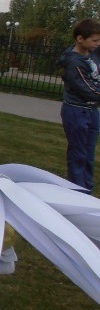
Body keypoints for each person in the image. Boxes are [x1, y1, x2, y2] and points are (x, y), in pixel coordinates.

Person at [57, 18, 100, 192]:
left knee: (88, 155)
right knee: (78, 155)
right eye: (95, 40)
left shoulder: (93, 52)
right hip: (76, 112)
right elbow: (89, 91)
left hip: (92, 111)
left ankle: (86, 191)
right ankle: (77, 192)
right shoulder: (74, 63)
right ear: (80, 39)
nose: (98, 43)